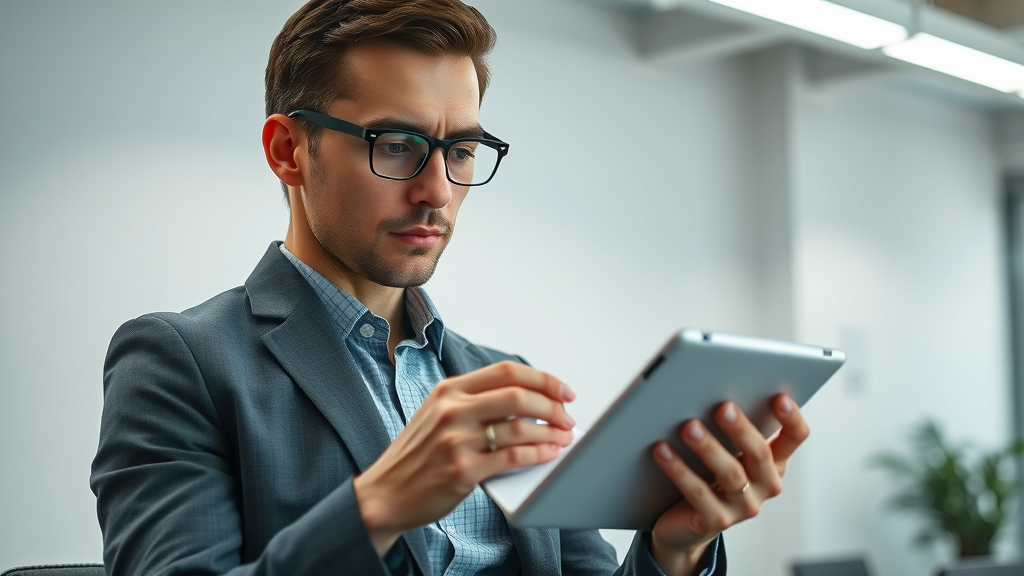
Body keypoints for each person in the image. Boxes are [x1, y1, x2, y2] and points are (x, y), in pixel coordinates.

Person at [90, 1, 809, 574]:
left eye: (461, 149)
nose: (437, 191)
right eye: (396, 145)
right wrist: (377, 507)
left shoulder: (505, 379)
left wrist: (672, 551)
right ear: (289, 151)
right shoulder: (181, 361)